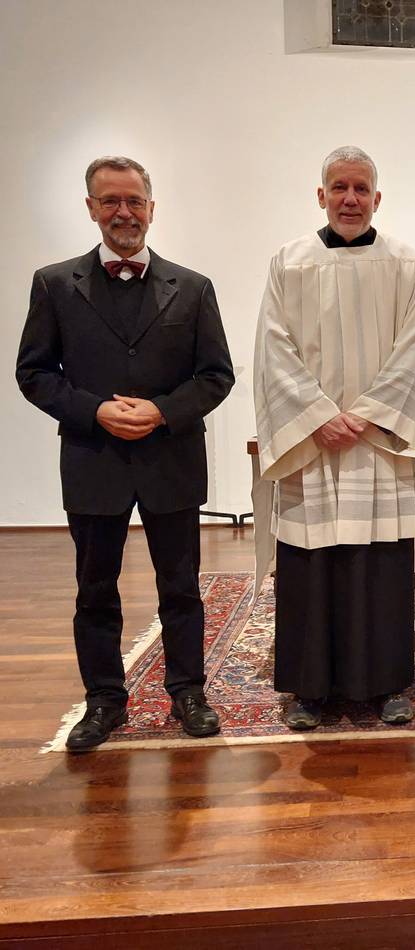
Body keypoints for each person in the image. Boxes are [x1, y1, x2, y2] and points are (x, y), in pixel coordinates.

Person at [16, 155, 234, 751]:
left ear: (152, 208)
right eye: (110, 201)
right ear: (90, 208)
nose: (123, 212)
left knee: (181, 587)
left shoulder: (192, 288)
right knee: (94, 589)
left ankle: (189, 691)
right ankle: (105, 700)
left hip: (171, 459)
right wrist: (95, 410)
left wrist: (162, 410)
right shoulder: (55, 285)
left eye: (134, 201)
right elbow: (34, 373)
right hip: (94, 461)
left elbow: (216, 376)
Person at [254, 146, 415, 730]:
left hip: (375, 445)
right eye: (340, 187)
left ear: (377, 198)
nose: (350, 199)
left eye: (361, 188)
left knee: (379, 567)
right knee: (311, 568)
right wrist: (316, 415)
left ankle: (385, 686)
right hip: (314, 446)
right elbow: (272, 349)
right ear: (321, 195)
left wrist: (363, 415)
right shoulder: (290, 261)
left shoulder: (405, 264)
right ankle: (310, 690)